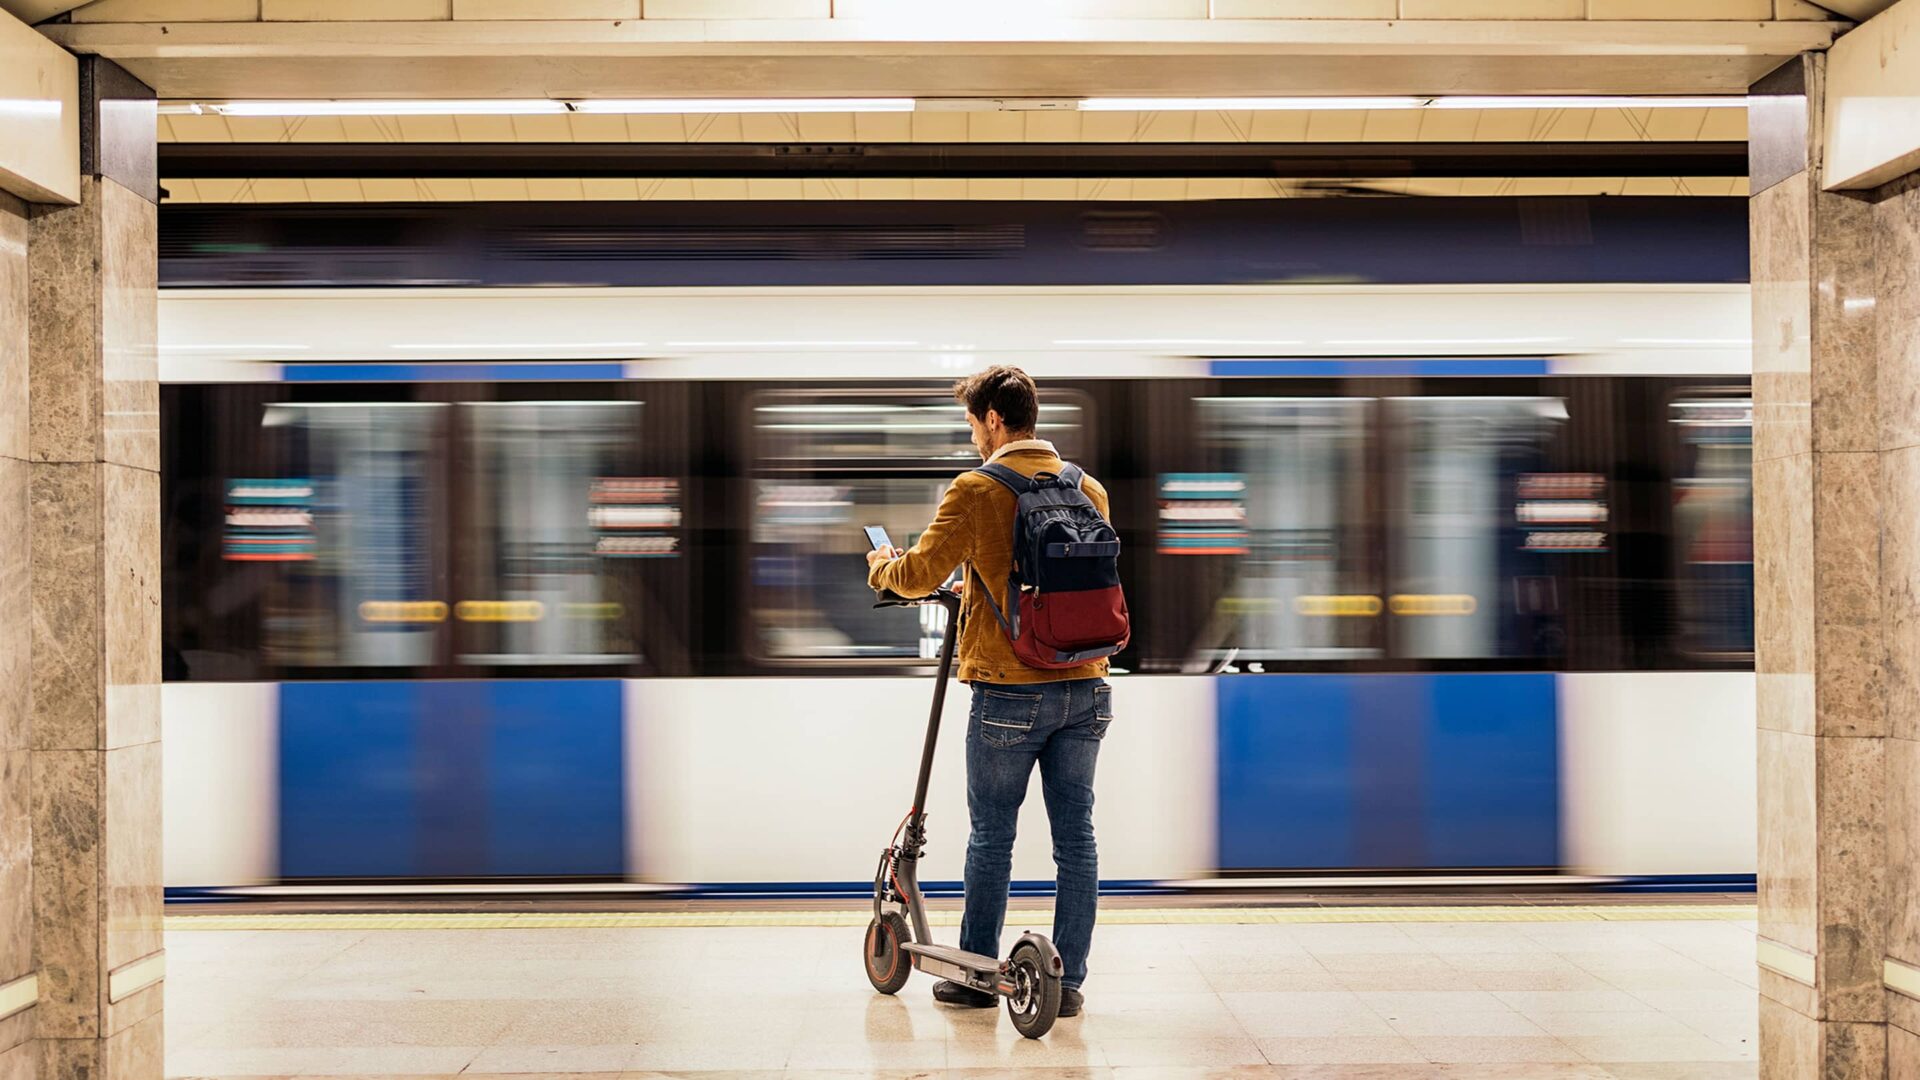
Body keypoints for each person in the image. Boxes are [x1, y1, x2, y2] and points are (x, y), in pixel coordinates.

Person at [866, 365, 1113, 1019]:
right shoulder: (1087, 487)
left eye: (973, 423)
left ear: (995, 421)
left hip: (1009, 692)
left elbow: (917, 573)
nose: (973, 435)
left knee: (992, 837)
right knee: (1077, 839)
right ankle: (1069, 980)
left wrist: (880, 565)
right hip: (1087, 687)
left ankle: (975, 975)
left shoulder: (977, 489)